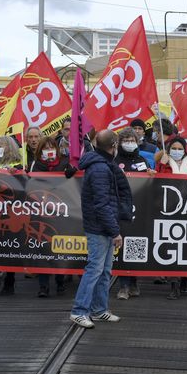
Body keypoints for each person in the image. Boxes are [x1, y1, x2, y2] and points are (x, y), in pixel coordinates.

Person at [70, 130, 130, 328]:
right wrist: (115, 231)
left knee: (104, 270)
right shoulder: (100, 169)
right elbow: (102, 204)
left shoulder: (101, 166)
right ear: (113, 146)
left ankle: (99, 309)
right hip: (99, 227)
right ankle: (79, 311)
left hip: (102, 225)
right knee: (95, 269)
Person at [31, 136, 77, 297]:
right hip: (42, 212)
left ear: (56, 149)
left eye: (51, 147)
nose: (49, 150)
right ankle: (43, 286)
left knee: (58, 248)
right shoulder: (36, 164)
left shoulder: (64, 162)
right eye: (45, 147)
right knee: (43, 250)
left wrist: (71, 173)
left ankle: (60, 282)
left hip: (61, 211)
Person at [155, 137, 187, 299]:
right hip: (169, 211)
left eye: (180, 148)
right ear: (168, 149)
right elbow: (157, 183)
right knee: (172, 246)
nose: (177, 151)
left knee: (186, 247)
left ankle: (184, 281)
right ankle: (174, 284)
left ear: (185, 150)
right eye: (173, 148)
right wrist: (161, 165)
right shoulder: (163, 163)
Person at [114, 127, 154, 301]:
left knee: (135, 245)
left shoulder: (143, 161)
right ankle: (123, 285)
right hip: (120, 210)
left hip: (139, 209)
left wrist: (152, 176)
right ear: (120, 143)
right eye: (126, 140)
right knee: (122, 247)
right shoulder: (114, 161)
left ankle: (134, 282)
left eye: (132, 140)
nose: (129, 143)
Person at [0, 136, 24, 295]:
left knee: (10, 247)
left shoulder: (18, 165)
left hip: (11, 213)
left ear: (10, 147)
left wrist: (18, 173)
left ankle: (9, 281)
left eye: (2, 145)